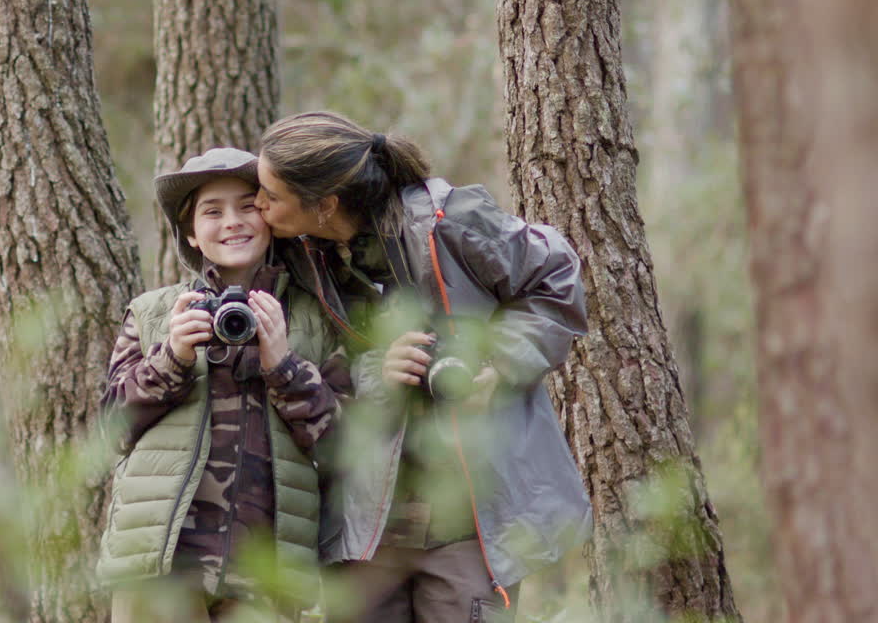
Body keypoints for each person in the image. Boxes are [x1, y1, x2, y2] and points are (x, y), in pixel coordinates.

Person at [254, 111, 591, 622]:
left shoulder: (448, 221)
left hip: (467, 523)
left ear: (325, 205)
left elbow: (557, 277)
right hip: (362, 528)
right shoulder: (301, 256)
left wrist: (498, 366)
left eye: (270, 196)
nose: (257, 206)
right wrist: (377, 373)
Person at [96, 148, 348, 623]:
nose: (233, 221)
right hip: (159, 565)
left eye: (248, 205)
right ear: (190, 233)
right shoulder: (153, 313)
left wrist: (284, 365)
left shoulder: (317, 317)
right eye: (212, 211)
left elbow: (345, 446)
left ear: (271, 216)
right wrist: (171, 358)